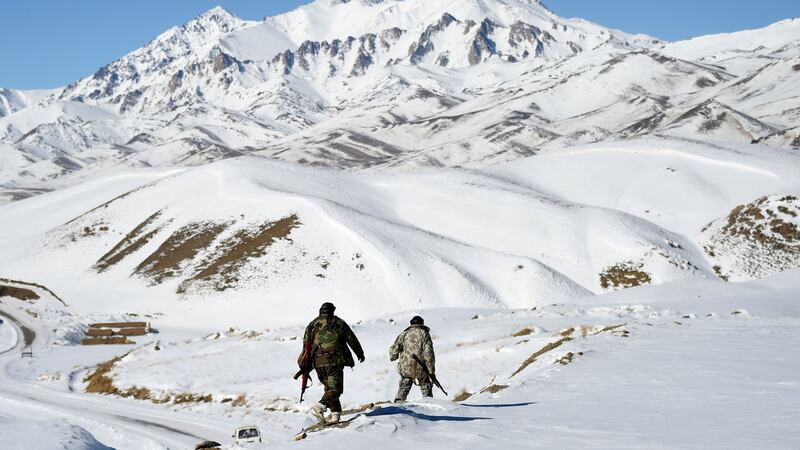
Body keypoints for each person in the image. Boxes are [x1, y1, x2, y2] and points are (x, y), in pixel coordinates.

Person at [299, 301, 365, 423]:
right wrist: (359, 353)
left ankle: (335, 416)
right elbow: (351, 339)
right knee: (336, 389)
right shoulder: (339, 322)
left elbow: (306, 346)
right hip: (334, 361)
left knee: (330, 389)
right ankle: (320, 406)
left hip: (317, 363)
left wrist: (304, 364)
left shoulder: (312, 325)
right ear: (332, 311)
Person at [389, 315, 436, 402]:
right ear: (422, 323)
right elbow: (429, 354)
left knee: (403, 390)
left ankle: (398, 406)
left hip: (405, 368)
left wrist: (393, 357)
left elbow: (393, 350)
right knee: (426, 392)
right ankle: (429, 404)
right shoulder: (424, 334)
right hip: (421, 368)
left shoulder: (404, 334)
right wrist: (431, 371)